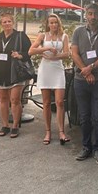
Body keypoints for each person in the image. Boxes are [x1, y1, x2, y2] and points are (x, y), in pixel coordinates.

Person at [71, 3, 98, 165]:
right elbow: (74, 53)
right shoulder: (78, 32)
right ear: (85, 15)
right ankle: (86, 147)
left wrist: (91, 68)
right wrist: (85, 71)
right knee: (85, 116)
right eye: (89, 14)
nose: (92, 17)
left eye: (95, 14)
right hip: (81, 81)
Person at [0, 13, 31, 138]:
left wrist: (20, 55)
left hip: (15, 73)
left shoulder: (20, 36)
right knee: (2, 99)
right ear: (1, 24)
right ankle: (5, 125)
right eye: (4, 22)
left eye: (9, 21)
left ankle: (15, 126)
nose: (7, 24)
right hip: (0, 72)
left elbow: (30, 52)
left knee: (15, 100)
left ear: (13, 22)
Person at [29, 13, 71, 145]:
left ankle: (61, 132)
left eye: (55, 22)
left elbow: (67, 54)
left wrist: (55, 57)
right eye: (51, 23)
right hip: (45, 70)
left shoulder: (64, 36)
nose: (53, 25)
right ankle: (47, 131)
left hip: (57, 70)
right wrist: (46, 48)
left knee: (59, 102)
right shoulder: (42, 36)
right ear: (47, 24)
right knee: (46, 103)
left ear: (59, 24)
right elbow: (31, 51)